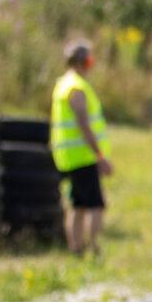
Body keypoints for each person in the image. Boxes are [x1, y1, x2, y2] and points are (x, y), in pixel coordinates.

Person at [50, 38, 111, 256]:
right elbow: (83, 124)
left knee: (77, 205)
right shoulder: (76, 87)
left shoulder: (63, 83)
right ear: (83, 61)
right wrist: (99, 155)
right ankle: (94, 247)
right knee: (95, 205)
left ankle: (76, 249)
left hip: (68, 155)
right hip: (82, 156)